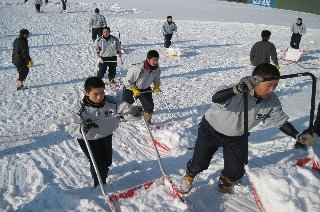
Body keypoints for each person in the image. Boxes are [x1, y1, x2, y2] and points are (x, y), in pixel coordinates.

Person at [179, 63, 315, 194]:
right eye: (269, 85)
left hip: (237, 137)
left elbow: (279, 120)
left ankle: (225, 183)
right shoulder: (237, 89)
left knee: (236, 170)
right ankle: (189, 175)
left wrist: (298, 136)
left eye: (275, 86)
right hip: (211, 131)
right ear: (256, 81)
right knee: (199, 163)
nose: (272, 90)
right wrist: (235, 90)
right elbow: (216, 98)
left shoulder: (272, 101)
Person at [118, 50, 161, 125]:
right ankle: (120, 116)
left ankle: (147, 122)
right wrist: (134, 89)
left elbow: (157, 78)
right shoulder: (137, 68)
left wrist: (156, 85)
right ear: (148, 59)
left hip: (145, 89)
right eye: (154, 60)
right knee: (126, 105)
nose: (156, 62)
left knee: (149, 106)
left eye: (157, 60)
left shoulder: (156, 69)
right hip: (131, 88)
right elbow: (127, 81)